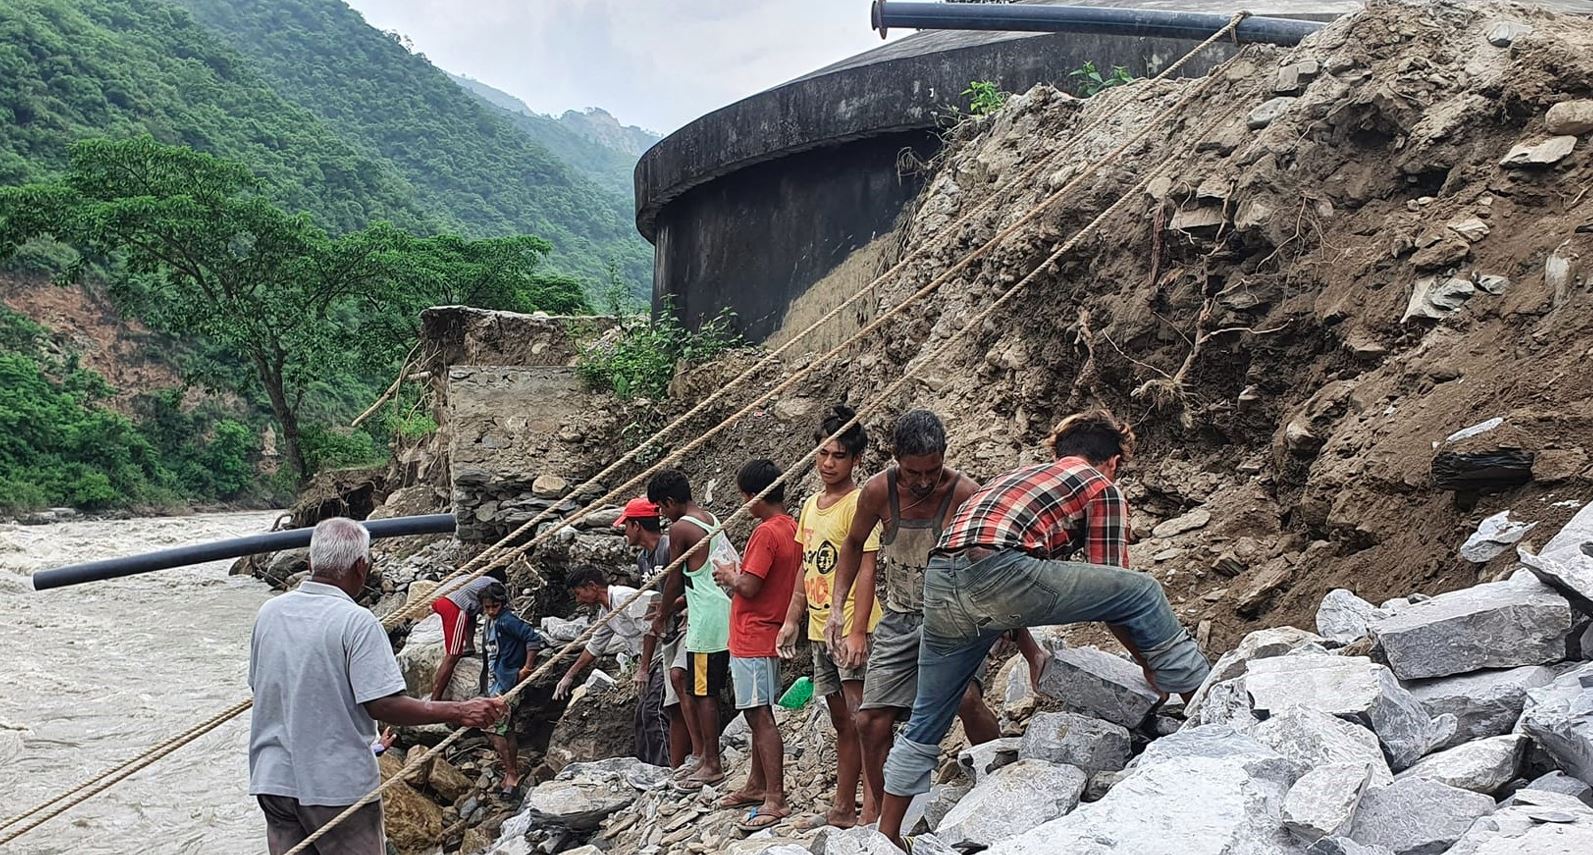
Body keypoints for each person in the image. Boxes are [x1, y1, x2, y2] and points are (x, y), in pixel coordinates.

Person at [875, 411, 1212, 846]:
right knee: (1144, 590)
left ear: (1060, 451)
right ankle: (1205, 706)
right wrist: (1149, 666)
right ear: (1110, 461)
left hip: (939, 579)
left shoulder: (1017, 477)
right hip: (998, 571)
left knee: (926, 719)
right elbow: (1117, 591)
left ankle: (885, 838)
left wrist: (1033, 653)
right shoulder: (1099, 483)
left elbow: (1002, 575)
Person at [825, 409, 1049, 823]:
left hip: (954, 617)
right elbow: (854, 545)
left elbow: (997, 569)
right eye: (913, 472)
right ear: (895, 459)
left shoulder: (965, 493)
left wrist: (1028, 647)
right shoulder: (878, 492)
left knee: (964, 698)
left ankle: (997, 786)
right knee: (871, 721)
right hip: (901, 616)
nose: (924, 481)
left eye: (933, 469)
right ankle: (886, 820)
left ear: (945, 455)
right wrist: (838, 608)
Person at [249, 518, 505, 855]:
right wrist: (461, 710)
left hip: (273, 781)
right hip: (333, 787)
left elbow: (262, 686)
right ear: (361, 566)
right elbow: (384, 705)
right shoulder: (355, 620)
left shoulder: (270, 612)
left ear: (310, 564)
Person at [777, 404, 881, 830]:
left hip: (854, 626)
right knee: (842, 720)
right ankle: (842, 807)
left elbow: (869, 566)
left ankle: (873, 809)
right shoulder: (810, 506)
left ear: (856, 460)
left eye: (838, 455)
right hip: (821, 627)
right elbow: (806, 567)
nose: (828, 463)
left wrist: (858, 631)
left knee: (865, 720)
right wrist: (791, 620)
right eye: (823, 453)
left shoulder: (860, 504)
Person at [712, 459, 801, 831]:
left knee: (760, 716)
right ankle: (755, 784)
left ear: (754, 496)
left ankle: (774, 797)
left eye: (745, 497)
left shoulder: (767, 533)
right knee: (754, 713)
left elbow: (749, 586)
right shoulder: (793, 527)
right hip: (767, 631)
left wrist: (729, 575)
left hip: (755, 634)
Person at [646, 468, 733, 790]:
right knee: (699, 687)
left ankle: (711, 762)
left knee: (703, 692)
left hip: (707, 622)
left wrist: (662, 614)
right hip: (718, 611)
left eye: (660, 508)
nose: (662, 516)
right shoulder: (707, 518)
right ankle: (704, 755)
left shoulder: (681, 528)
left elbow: (674, 579)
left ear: (670, 501)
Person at [552, 564, 669, 766]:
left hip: (662, 658)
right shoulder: (606, 611)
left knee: (653, 712)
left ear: (592, 586)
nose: (579, 600)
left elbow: (651, 630)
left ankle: (666, 766)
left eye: (579, 594)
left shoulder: (624, 598)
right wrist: (569, 675)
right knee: (640, 718)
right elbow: (595, 645)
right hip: (647, 662)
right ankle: (645, 766)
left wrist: (642, 670)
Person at [614, 497, 675, 767]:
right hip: (662, 640)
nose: (624, 531)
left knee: (656, 709)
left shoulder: (668, 547)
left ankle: (664, 766)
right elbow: (649, 614)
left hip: (680, 634)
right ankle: (645, 766)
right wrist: (644, 666)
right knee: (642, 712)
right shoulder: (643, 561)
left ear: (636, 525)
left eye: (626, 525)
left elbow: (684, 592)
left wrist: (666, 609)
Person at [478, 582, 544, 797]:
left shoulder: (507, 621)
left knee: (494, 729)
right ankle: (511, 770)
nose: (490, 610)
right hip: (495, 683)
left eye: (494, 606)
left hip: (507, 684)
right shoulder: (491, 622)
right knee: (504, 730)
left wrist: (526, 668)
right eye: (487, 607)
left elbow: (533, 638)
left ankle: (511, 773)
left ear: (502, 604)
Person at [428, 569, 507, 701]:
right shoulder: (495, 585)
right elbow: (502, 611)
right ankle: (435, 700)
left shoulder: (475, 579)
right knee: (453, 655)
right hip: (454, 604)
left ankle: (469, 646)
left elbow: (474, 610)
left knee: (472, 611)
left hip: (439, 599)